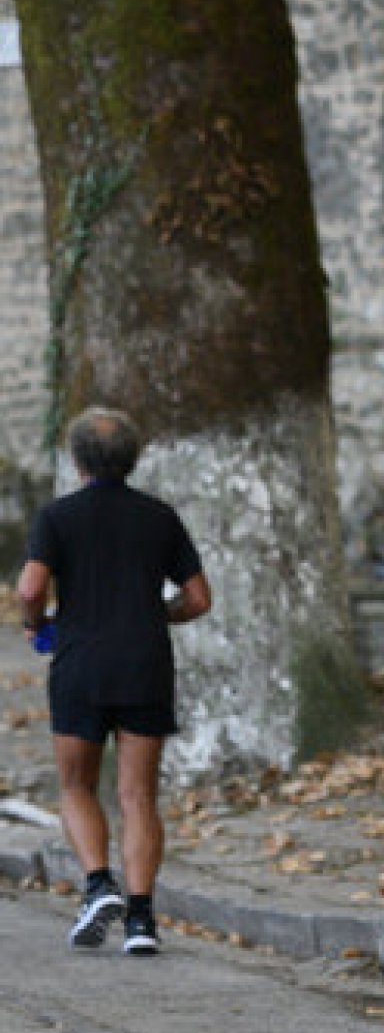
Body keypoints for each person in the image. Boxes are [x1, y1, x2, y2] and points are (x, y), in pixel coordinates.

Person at [16, 406, 212, 956]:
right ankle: (142, 919)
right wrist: (155, 616)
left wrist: (37, 626)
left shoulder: (57, 517)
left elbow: (30, 588)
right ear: (133, 458)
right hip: (145, 663)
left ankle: (99, 884)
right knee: (138, 794)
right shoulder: (159, 517)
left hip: (80, 663)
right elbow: (198, 598)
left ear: (77, 459)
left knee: (77, 785)